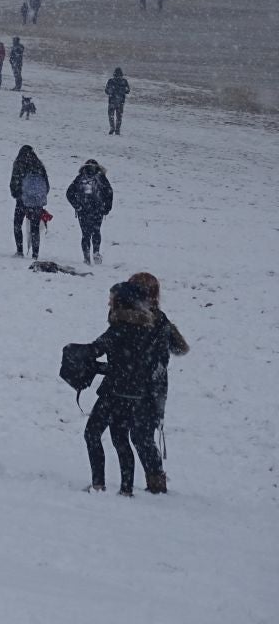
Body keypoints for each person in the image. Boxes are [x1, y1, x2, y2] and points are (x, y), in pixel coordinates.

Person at [82, 281, 167, 495]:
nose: (108, 302)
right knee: (120, 439)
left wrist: (77, 354)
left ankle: (98, 484)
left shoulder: (119, 328)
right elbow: (131, 364)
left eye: (111, 298)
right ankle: (126, 488)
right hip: (134, 394)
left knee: (92, 433)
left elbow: (96, 349)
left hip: (113, 392)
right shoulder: (145, 328)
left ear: (121, 302)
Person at [126, 271, 190, 436]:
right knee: (143, 439)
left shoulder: (125, 319)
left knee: (132, 437)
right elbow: (180, 347)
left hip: (129, 386)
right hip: (155, 387)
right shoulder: (161, 320)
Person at [66, 159, 114, 265]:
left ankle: (86, 257)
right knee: (96, 231)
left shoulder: (80, 177)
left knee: (85, 234)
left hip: (83, 211)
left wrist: (77, 206)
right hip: (98, 210)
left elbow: (69, 193)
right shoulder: (101, 177)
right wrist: (106, 208)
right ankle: (96, 252)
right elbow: (109, 192)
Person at [10, 144, 49, 259]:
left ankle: (20, 251)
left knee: (17, 223)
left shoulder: (19, 164)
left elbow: (14, 182)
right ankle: (35, 254)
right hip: (36, 201)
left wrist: (17, 195)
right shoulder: (39, 165)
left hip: (22, 199)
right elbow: (46, 185)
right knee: (35, 227)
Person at [105, 68, 130, 135]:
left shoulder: (110, 81)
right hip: (120, 102)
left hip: (112, 101)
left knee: (111, 116)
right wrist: (122, 90)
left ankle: (112, 128)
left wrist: (112, 91)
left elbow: (106, 91)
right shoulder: (124, 81)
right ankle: (117, 130)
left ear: (114, 74)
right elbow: (128, 91)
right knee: (119, 117)